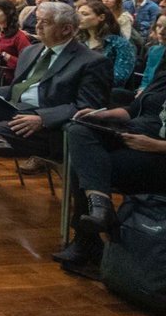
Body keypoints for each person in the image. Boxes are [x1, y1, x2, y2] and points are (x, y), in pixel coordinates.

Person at [0, 2, 111, 229]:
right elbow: (18, 89)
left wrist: (43, 118)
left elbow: (87, 108)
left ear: (66, 29)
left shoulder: (91, 61)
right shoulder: (31, 51)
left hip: (45, 125)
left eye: (44, 22)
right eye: (37, 20)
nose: (37, 26)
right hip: (13, 110)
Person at [57, 69, 166, 277]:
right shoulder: (164, 76)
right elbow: (132, 110)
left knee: (87, 165)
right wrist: (101, 114)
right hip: (134, 135)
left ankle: (89, 236)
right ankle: (100, 208)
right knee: (78, 129)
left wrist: (156, 145)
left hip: (158, 153)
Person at [76, 0, 136, 88]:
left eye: (84, 14)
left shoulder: (120, 44)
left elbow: (119, 78)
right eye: (77, 14)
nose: (79, 18)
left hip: (105, 93)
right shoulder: (78, 41)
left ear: (101, 17)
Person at [0, 0, 32, 84]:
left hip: (5, 78)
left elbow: (26, 63)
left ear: (7, 12)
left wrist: (2, 54)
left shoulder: (19, 36)